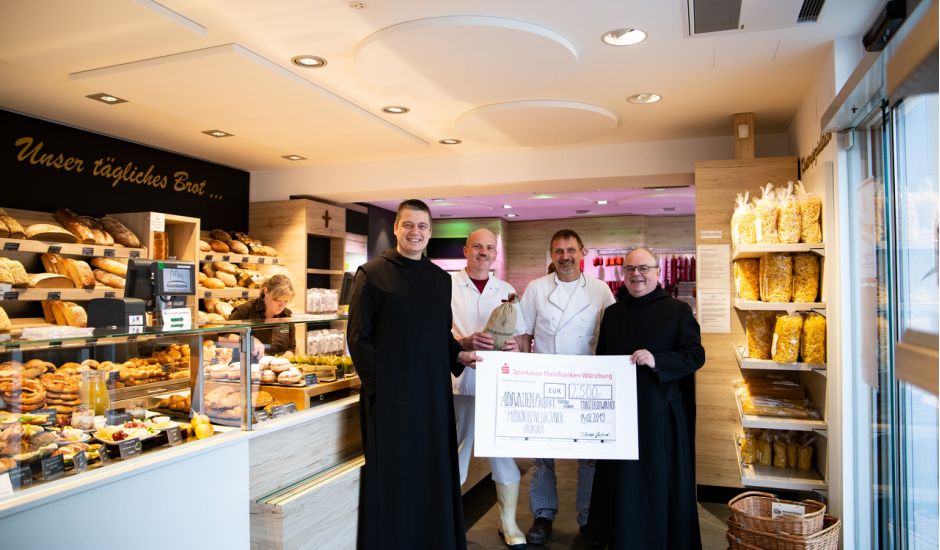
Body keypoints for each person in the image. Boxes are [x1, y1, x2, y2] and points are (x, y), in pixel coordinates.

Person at [347, 199, 481, 550]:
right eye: (408, 224)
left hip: (433, 397)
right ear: (396, 228)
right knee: (395, 476)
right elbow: (358, 339)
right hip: (390, 399)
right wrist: (382, 390)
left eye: (422, 226)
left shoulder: (440, 280)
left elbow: (439, 334)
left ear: (430, 232)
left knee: (431, 472)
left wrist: (458, 354)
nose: (415, 232)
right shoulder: (371, 274)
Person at [584, 247, 705, 549]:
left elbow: (695, 355)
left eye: (643, 268)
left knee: (657, 481)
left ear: (657, 272)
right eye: (630, 269)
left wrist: (657, 360)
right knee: (623, 484)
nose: (636, 274)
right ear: (623, 273)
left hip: (659, 415)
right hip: (621, 414)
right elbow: (602, 359)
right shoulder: (612, 314)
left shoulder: (677, 311)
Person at [518, 229, 616, 545]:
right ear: (552, 255)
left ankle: (587, 519)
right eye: (559, 251)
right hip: (545, 381)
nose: (565, 256)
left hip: (587, 383)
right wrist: (522, 371)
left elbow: (613, 335)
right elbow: (523, 334)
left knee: (589, 456)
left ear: (582, 253)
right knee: (542, 455)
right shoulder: (536, 288)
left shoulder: (600, 290)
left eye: (571, 250)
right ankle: (542, 515)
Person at [450, 228, 526, 549]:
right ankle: (446, 523)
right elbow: (433, 335)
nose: (483, 252)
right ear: (465, 250)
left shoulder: (506, 290)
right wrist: (463, 342)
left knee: (503, 454)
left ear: (496, 254)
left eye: (489, 248)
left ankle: (507, 521)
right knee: (455, 455)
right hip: (459, 384)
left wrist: (514, 348)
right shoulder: (446, 286)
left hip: (497, 387)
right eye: (477, 246)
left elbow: (521, 339)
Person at [228, 273, 296, 356]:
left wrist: (288, 355)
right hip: (247, 363)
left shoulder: (287, 314)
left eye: (285, 301)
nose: (282, 306)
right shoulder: (245, 310)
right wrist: (249, 341)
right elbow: (222, 337)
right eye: (277, 300)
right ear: (266, 291)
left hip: (276, 364)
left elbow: (291, 347)